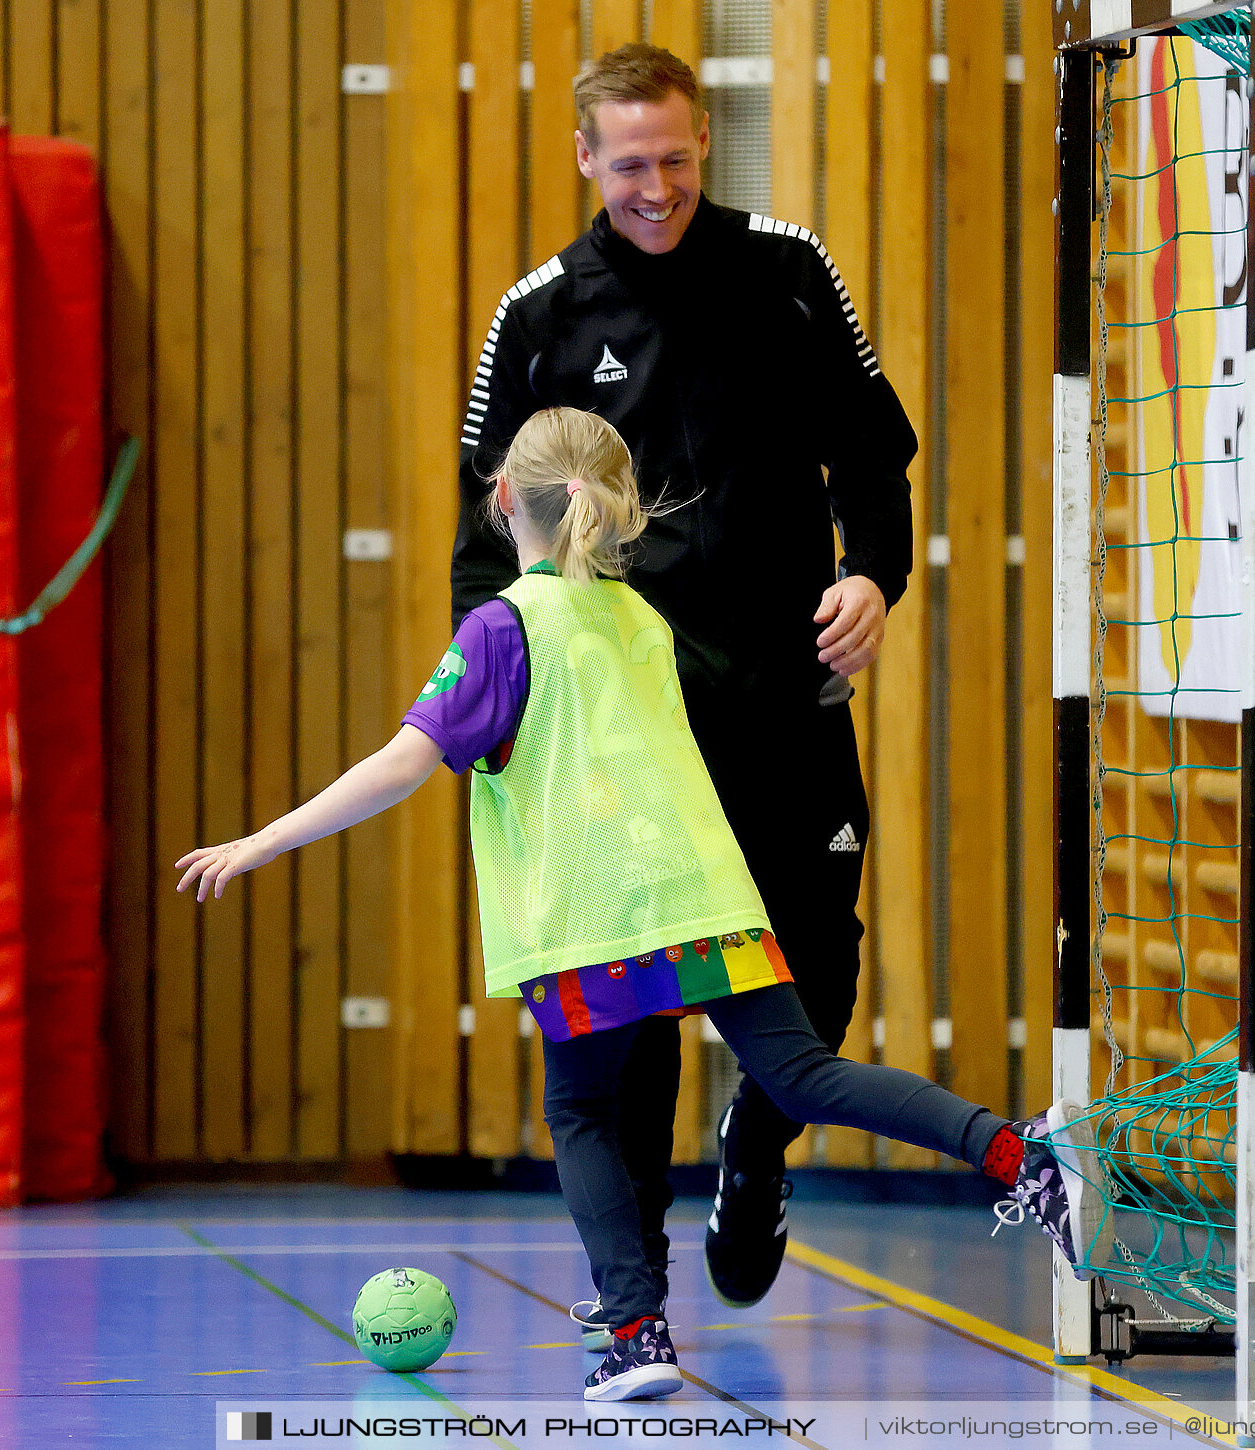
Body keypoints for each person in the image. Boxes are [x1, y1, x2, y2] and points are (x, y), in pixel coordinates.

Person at [178, 408, 1092, 1402]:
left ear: (500, 500)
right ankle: (1021, 1153)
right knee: (805, 1074)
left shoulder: (499, 628)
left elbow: (403, 764)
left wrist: (262, 839)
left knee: (579, 1110)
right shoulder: (642, 619)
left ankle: (636, 1326)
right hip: (701, 890)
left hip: (592, 915)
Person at [450, 42, 917, 1326]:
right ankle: (637, 1292)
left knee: (818, 968)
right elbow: (485, 538)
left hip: (789, 696)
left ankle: (758, 1151)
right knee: (636, 1001)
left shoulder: (789, 272)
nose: (655, 186)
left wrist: (874, 577)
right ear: (588, 158)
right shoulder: (539, 316)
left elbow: (875, 460)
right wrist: (492, 718)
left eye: (675, 157)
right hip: (627, 734)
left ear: (703, 143)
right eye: (629, 163)